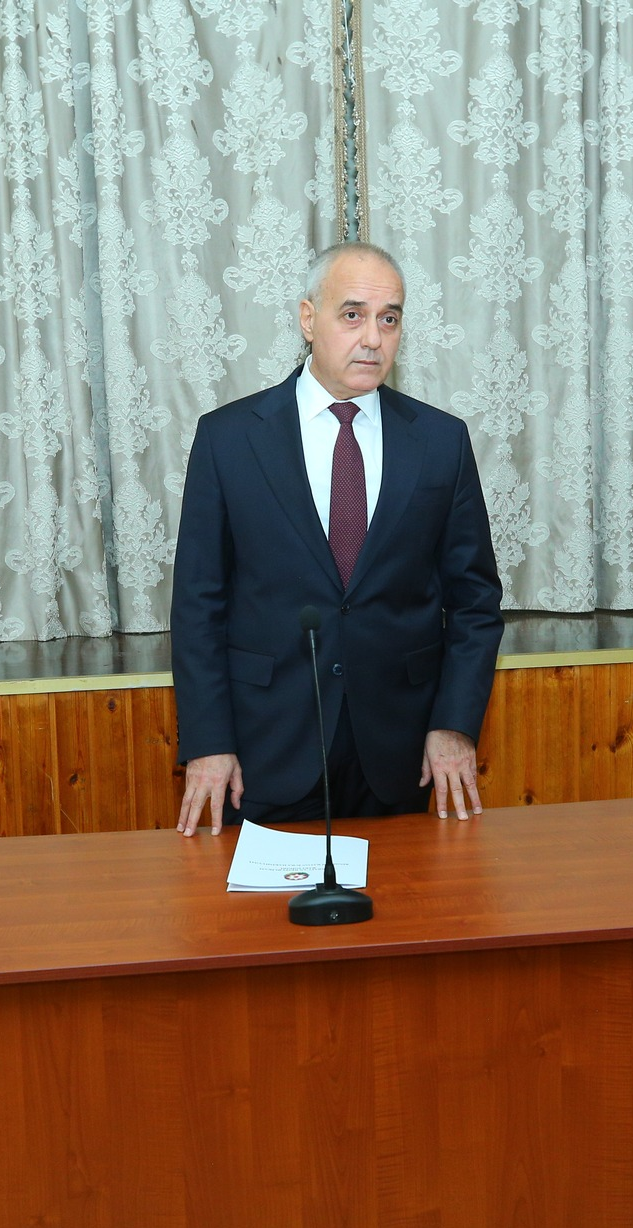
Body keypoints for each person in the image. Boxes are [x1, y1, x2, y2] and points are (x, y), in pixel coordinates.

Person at [170, 242, 504, 837]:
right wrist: (209, 740)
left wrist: (453, 725)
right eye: (353, 315)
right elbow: (198, 605)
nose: (373, 338)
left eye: (389, 319)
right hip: (265, 749)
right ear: (308, 319)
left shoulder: (440, 441)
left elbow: (475, 604)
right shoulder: (229, 439)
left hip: (402, 754)